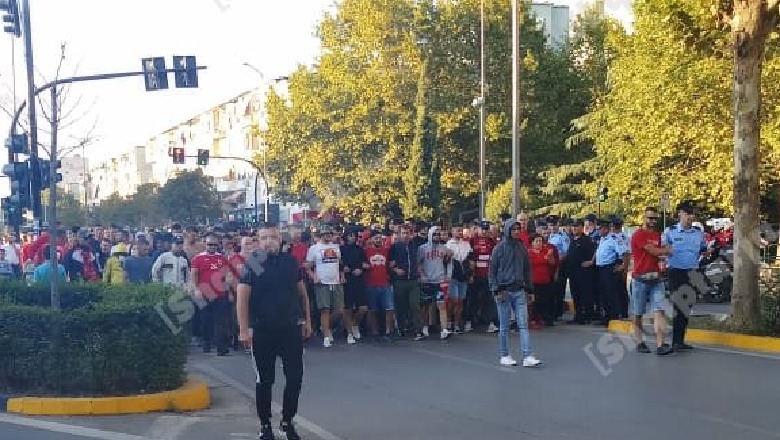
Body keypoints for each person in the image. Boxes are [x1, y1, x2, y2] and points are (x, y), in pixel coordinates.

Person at [237, 223, 312, 440]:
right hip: (263, 331)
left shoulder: (290, 262)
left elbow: (302, 293)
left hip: (290, 328)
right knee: (265, 380)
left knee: (295, 377)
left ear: (280, 240)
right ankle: (265, 425)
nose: (268, 241)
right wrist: (243, 330)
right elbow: (242, 297)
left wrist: (306, 320)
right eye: (263, 238)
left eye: (272, 237)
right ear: (258, 242)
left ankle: (288, 421)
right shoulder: (254, 264)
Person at [488, 220, 542, 367]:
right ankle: (504, 355)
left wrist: (530, 290)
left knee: (523, 324)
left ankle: (527, 355)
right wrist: (496, 289)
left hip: (519, 291)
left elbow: (527, 270)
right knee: (504, 326)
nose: (517, 232)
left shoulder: (521, 248)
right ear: (507, 230)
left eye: (518, 229)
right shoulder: (499, 248)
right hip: (503, 291)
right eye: (513, 229)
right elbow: (492, 272)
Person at [663, 202, 708, 351]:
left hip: (692, 273)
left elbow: (703, 249)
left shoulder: (698, 233)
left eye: (692, 213)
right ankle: (675, 341)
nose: (690, 216)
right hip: (676, 272)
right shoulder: (670, 232)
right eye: (687, 213)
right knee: (678, 305)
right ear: (679, 214)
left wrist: (706, 253)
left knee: (687, 307)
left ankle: (680, 341)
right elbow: (662, 249)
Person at [630, 207, 673, 356]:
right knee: (638, 313)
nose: (652, 221)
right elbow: (654, 251)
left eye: (655, 218)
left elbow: (659, 253)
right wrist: (666, 250)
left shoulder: (658, 235)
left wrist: (663, 251)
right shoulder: (638, 235)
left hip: (656, 278)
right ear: (644, 218)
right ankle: (639, 341)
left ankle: (660, 344)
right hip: (640, 279)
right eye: (650, 218)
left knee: (659, 310)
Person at [192, 233, 231, 355]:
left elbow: (227, 276)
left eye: (214, 245)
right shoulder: (197, 258)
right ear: (205, 244)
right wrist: (196, 290)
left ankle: (221, 348)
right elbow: (193, 276)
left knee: (221, 321)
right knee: (206, 321)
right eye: (210, 244)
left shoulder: (222, 258)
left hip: (220, 293)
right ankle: (206, 344)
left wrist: (228, 291)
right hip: (204, 293)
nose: (212, 247)